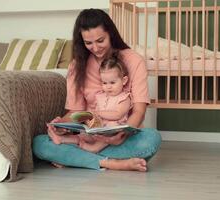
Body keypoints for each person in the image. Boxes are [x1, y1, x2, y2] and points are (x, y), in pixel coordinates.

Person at [33, 8, 162, 172]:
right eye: (88, 43)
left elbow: (139, 111)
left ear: (111, 34)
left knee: (151, 139)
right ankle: (112, 163)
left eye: (100, 40)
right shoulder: (77, 66)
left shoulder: (134, 60)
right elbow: (76, 111)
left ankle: (76, 159)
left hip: (123, 136)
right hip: (88, 136)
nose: (95, 47)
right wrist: (62, 125)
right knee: (39, 143)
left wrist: (120, 136)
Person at [50, 52, 132, 153]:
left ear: (124, 80)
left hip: (112, 132)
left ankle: (94, 148)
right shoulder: (100, 96)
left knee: (112, 126)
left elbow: (118, 114)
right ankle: (62, 139)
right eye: (104, 83)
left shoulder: (124, 98)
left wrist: (97, 113)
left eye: (112, 82)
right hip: (98, 129)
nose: (108, 86)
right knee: (83, 134)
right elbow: (94, 115)